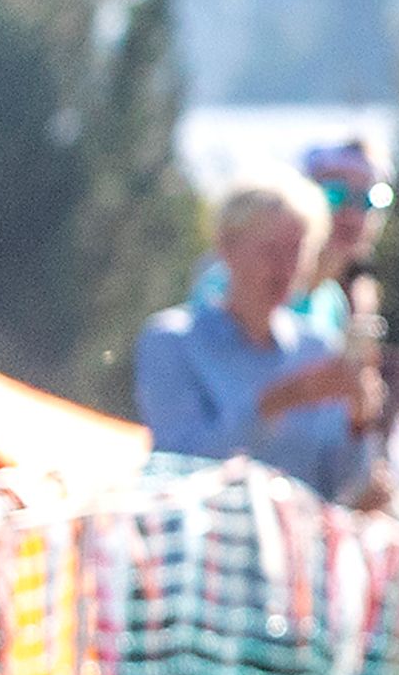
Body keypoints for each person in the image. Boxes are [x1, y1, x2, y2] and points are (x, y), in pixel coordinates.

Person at [134, 175, 373, 500]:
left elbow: (338, 488)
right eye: (271, 251)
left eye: (297, 252)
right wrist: (274, 403)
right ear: (227, 248)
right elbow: (180, 466)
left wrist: (360, 421)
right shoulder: (172, 341)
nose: (285, 268)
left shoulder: (317, 349)